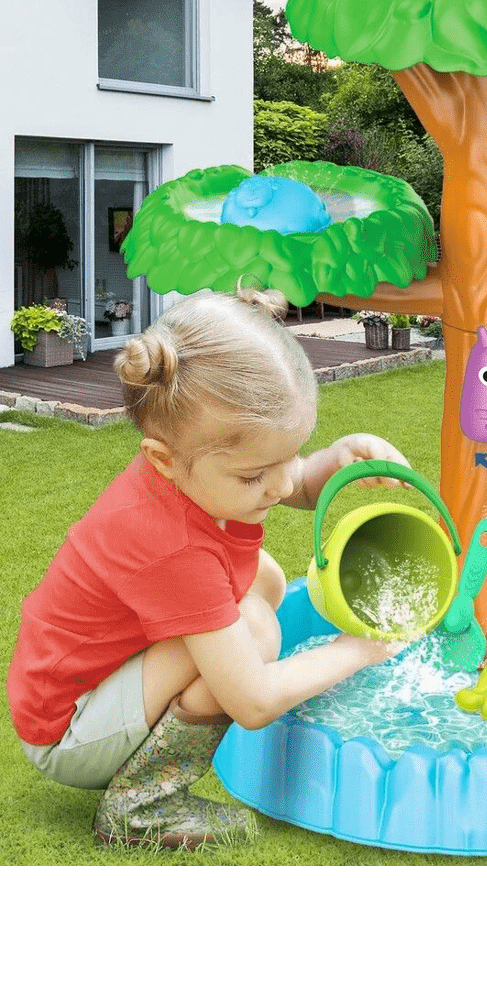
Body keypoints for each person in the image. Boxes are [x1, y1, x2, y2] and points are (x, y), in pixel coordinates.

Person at [7, 288, 412, 848]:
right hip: (70, 730)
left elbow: (287, 482)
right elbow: (253, 701)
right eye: (253, 477)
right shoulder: (171, 546)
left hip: (95, 680)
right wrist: (358, 650)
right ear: (163, 459)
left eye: (291, 456)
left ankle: (166, 741)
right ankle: (140, 806)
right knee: (255, 631)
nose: (282, 485)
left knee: (263, 580)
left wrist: (337, 459)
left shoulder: (194, 470)